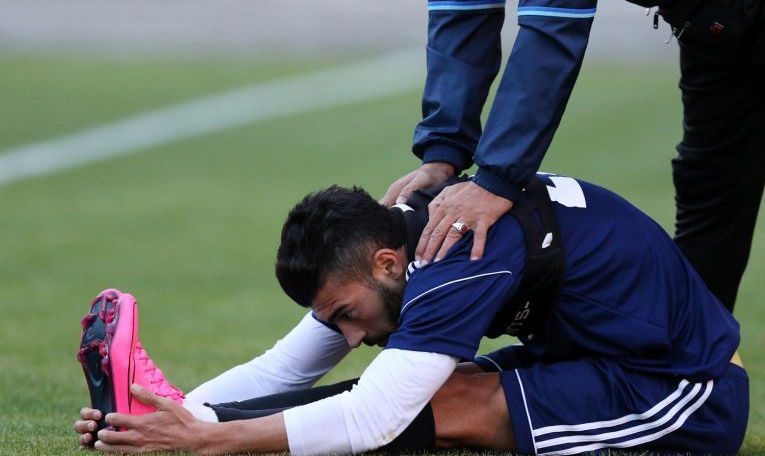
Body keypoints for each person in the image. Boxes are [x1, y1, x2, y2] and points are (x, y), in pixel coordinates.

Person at [74, 173, 748, 454]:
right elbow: (287, 367)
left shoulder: (457, 254)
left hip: (683, 389)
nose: (350, 335)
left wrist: (205, 439)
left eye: (347, 315)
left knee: (448, 404)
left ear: (386, 264)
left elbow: (374, 417)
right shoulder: (396, 244)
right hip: (591, 357)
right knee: (429, 391)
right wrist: (170, 416)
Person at [381, 0, 765, 312]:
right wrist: (443, 151)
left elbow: (553, 20)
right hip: (714, 23)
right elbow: (461, 6)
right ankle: (693, 353)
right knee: (712, 192)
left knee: (713, 194)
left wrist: (497, 179)